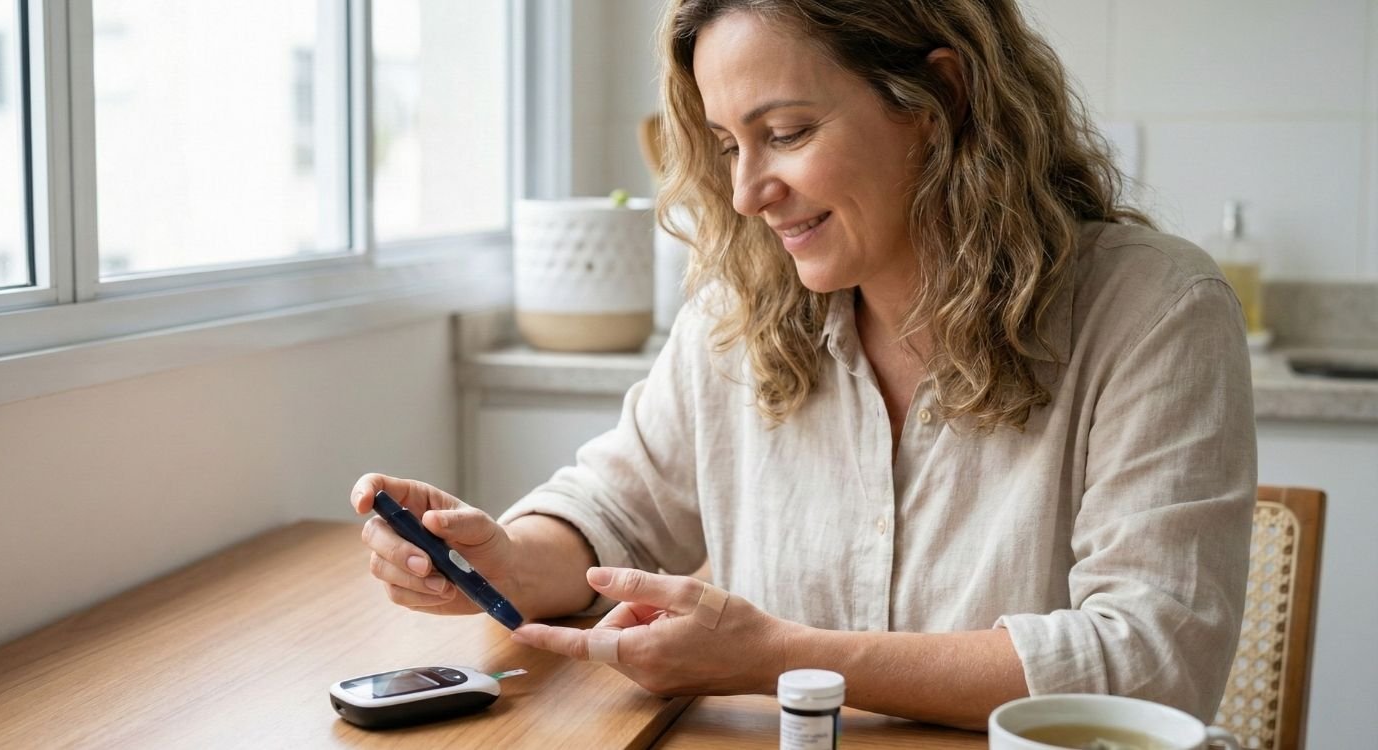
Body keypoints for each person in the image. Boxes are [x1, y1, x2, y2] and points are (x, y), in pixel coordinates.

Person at [350, 0, 1255, 730]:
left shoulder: (1154, 311)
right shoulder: (738, 313)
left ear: (938, 102)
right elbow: (614, 511)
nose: (746, 193)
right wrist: (500, 560)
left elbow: (1152, 662)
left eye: (784, 132)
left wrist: (780, 657)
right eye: (726, 146)